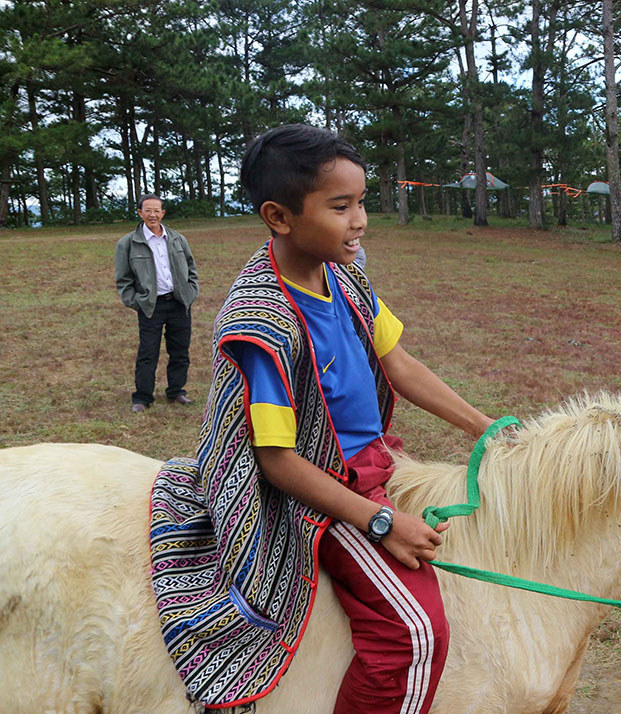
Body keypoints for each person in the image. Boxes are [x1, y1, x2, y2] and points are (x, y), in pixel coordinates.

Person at [149, 125, 495, 713]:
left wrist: (485, 428)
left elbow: (400, 365)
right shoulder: (261, 322)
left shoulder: (346, 277)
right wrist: (380, 521)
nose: (360, 220)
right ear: (279, 217)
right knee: (414, 632)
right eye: (341, 207)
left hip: (366, 468)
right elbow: (277, 461)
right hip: (314, 494)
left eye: (361, 202)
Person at [114, 193, 198, 413]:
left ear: (163, 213)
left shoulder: (178, 239)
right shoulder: (128, 243)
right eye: (147, 210)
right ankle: (142, 398)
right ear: (140, 213)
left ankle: (177, 391)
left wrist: (190, 292)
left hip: (179, 303)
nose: (152, 215)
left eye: (156, 210)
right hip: (150, 306)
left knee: (180, 351)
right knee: (148, 353)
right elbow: (123, 279)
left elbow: (191, 269)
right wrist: (137, 302)